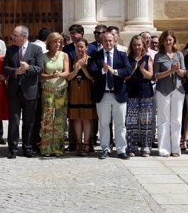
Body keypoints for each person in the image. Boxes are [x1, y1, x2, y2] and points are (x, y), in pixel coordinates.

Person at [88, 31, 132, 159]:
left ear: (114, 41)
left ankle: (121, 150)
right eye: (106, 41)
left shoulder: (122, 55)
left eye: (110, 40)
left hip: (119, 94)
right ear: (102, 42)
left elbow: (128, 70)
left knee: (120, 124)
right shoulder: (96, 55)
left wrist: (115, 71)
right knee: (104, 123)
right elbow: (92, 71)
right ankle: (105, 148)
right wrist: (103, 70)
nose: (108, 43)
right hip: (103, 95)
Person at [3, 25, 44, 159]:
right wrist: (14, 71)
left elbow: (39, 69)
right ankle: (13, 149)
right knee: (14, 121)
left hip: (30, 91)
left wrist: (28, 68)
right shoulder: (10, 50)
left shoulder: (36, 49)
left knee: (29, 121)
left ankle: (27, 147)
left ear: (24, 36)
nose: (12, 37)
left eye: (15, 35)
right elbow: (5, 68)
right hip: (14, 91)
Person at [154, 30, 186, 157]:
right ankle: (164, 149)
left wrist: (178, 71)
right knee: (164, 120)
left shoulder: (179, 54)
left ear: (174, 40)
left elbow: (184, 74)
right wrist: (170, 71)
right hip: (163, 90)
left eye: (171, 39)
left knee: (177, 120)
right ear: (163, 41)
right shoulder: (159, 56)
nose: (169, 42)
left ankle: (175, 148)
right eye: (166, 39)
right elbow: (156, 75)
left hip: (178, 89)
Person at [39, 32, 69, 156]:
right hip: (47, 90)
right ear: (49, 43)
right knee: (47, 118)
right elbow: (41, 74)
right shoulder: (43, 56)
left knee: (60, 118)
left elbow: (67, 72)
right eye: (55, 41)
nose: (58, 44)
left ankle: (58, 148)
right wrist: (51, 75)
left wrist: (59, 74)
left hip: (61, 89)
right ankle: (46, 148)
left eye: (59, 42)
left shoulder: (64, 55)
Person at [125, 35, 155, 157]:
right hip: (131, 93)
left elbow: (150, 76)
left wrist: (142, 70)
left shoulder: (147, 58)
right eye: (134, 45)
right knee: (131, 122)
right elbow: (125, 77)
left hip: (146, 94)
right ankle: (132, 147)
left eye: (139, 45)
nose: (137, 47)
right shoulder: (127, 59)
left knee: (146, 121)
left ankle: (145, 147)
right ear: (131, 46)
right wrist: (134, 69)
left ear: (142, 45)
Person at [66, 38, 95, 156]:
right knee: (77, 118)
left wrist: (83, 68)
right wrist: (76, 69)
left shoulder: (91, 60)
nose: (80, 49)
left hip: (87, 90)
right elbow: (68, 77)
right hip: (74, 90)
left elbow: (92, 78)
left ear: (86, 48)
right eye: (78, 46)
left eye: (82, 46)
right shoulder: (71, 59)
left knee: (87, 118)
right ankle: (79, 142)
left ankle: (87, 143)